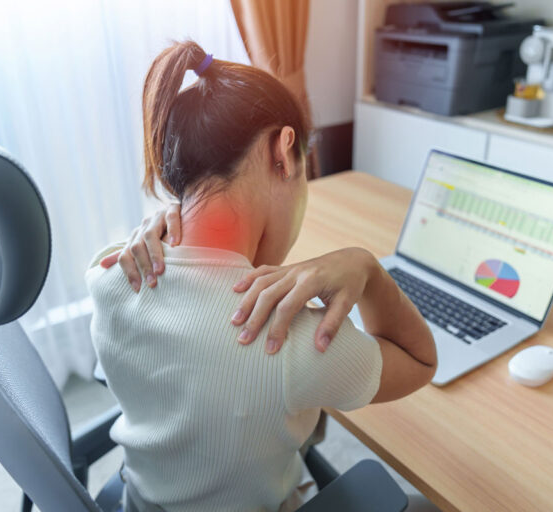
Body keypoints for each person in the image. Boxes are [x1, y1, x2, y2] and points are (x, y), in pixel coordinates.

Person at [86, 40, 437, 512]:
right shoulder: (288, 338)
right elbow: (420, 361)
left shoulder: (111, 273)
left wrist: (167, 218)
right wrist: (367, 269)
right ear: (285, 150)